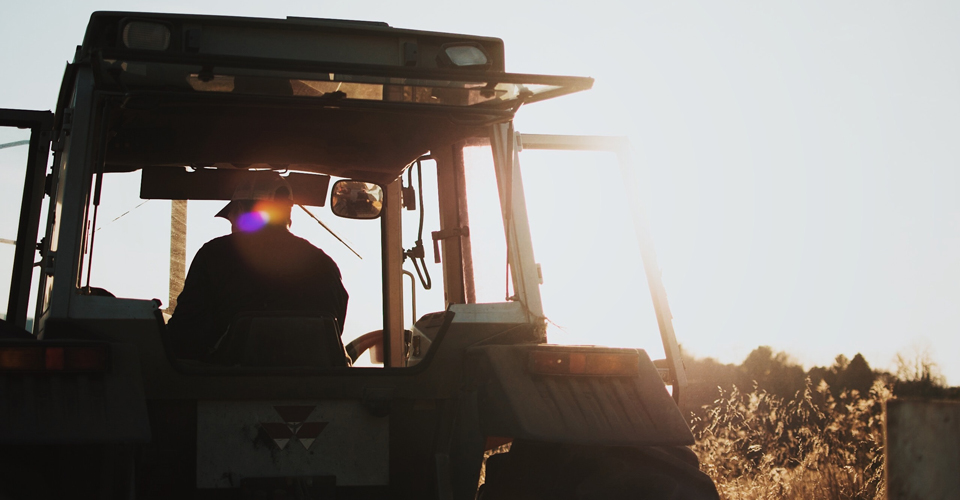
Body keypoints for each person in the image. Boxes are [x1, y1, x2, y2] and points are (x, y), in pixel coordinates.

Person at [166, 174, 348, 361]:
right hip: (311, 378)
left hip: (227, 378)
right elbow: (333, 333)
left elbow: (184, 334)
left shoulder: (213, 255)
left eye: (231, 218)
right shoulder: (324, 264)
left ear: (239, 209)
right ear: (288, 214)